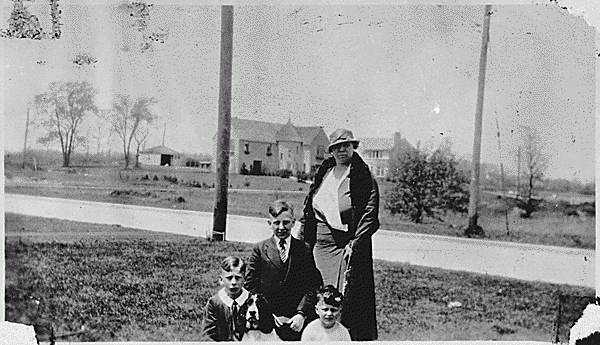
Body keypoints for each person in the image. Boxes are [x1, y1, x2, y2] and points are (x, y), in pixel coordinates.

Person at [298, 128, 380, 341]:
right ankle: (313, 336)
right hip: (320, 244)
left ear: (354, 147)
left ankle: (339, 337)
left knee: (341, 293)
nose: (342, 150)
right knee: (315, 289)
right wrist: (301, 236)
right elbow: (310, 207)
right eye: (337, 146)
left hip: (346, 244)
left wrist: (355, 242)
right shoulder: (325, 172)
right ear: (331, 150)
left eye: (347, 145)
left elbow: (370, 214)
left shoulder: (363, 176)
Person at [244, 200, 323, 341]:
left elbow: (313, 286)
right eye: (276, 223)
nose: (281, 227)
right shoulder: (260, 249)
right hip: (268, 321)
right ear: (269, 224)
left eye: (286, 222)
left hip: (296, 322)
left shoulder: (304, 249)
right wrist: (268, 314)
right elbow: (250, 285)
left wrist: (301, 314)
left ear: (293, 222)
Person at [201, 256, 249, 341]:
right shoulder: (214, 303)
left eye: (238, 278)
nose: (233, 282)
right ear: (221, 280)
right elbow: (208, 335)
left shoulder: (252, 301)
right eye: (229, 278)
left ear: (244, 280)